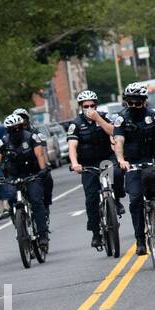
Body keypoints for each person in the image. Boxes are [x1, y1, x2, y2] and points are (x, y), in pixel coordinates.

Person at [113, 82, 155, 255]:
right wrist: (120, 160)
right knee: (135, 200)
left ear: (144, 101)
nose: (134, 106)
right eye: (130, 103)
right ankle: (140, 240)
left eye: (138, 102)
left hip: (152, 156)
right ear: (126, 102)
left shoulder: (153, 116)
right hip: (131, 161)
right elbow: (118, 141)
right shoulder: (121, 119)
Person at [66, 89, 120, 249]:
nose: (89, 108)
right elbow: (72, 146)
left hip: (105, 159)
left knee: (116, 173)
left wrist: (98, 119)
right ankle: (96, 233)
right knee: (91, 199)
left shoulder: (103, 116)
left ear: (96, 105)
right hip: (87, 164)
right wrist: (75, 163)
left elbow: (114, 132)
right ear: (80, 107)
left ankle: (116, 201)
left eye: (92, 105)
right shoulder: (75, 124)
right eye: (86, 106)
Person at [0, 112, 49, 248]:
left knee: (36, 201)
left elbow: (39, 154)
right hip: (13, 176)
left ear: (22, 126)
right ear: (7, 130)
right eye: (12, 129)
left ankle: (43, 234)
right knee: (11, 198)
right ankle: (18, 223)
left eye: (18, 127)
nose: (15, 131)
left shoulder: (31, 137)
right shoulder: (3, 142)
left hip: (32, 174)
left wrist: (43, 169)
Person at [13, 107, 54, 221]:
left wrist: (45, 164)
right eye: (19, 119)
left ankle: (46, 204)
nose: (22, 122)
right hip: (19, 170)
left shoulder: (36, 134)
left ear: (28, 120)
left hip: (35, 166)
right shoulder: (10, 137)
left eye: (23, 119)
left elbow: (43, 150)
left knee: (47, 178)